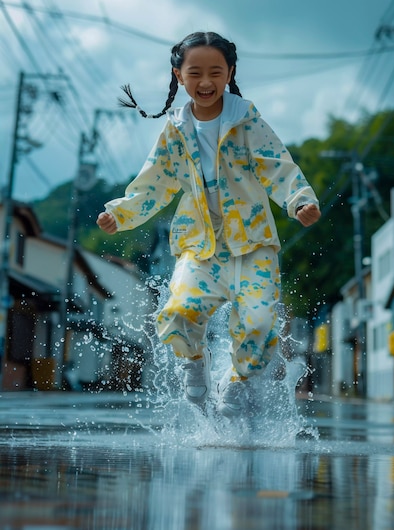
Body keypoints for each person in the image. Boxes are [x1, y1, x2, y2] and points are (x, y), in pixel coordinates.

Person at [97, 31, 321, 417]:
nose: (205, 82)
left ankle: (237, 380)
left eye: (215, 72)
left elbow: (277, 166)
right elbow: (155, 180)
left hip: (253, 246)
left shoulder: (246, 120)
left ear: (230, 72)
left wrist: (300, 199)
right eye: (195, 72)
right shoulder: (175, 129)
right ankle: (195, 361)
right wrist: (121, 212)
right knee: (180, 310)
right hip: (201, 246)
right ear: (178, 75)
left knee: (260, 323)